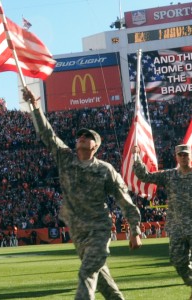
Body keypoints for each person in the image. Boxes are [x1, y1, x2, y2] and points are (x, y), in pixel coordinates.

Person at [23, 88, 142, 300]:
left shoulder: (105, 170)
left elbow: (125, 200)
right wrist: (35, 107)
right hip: (79, 232)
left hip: (99, 229)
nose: (82, 138)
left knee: (87, 273)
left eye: (88, 137)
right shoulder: (66, 159)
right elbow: (47, 134)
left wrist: (135, 230)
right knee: (102, 279)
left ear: (95, 146)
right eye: (80, 136)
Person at [133, 144, 192, 300]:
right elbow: (145, 176)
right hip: (177, 228)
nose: (183, 157)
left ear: (191, 156)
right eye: (180, 155)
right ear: (176, 157)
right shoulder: (169, 175)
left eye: (186, 155)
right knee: (177, 260)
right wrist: (137, 157)